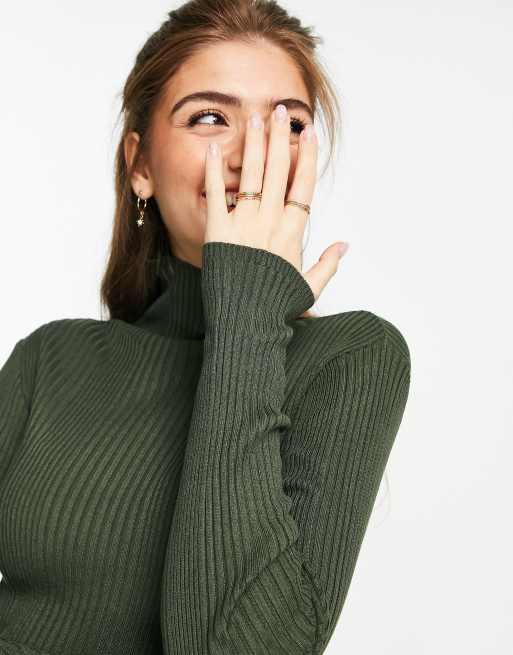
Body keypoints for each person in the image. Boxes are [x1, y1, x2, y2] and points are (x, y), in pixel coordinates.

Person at [0, 1, 411, 654]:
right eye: (210, 117)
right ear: (140, 164)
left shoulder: (351, 357)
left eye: (288, 123)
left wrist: (248, 311)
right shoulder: (52, 359)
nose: (252, 152)